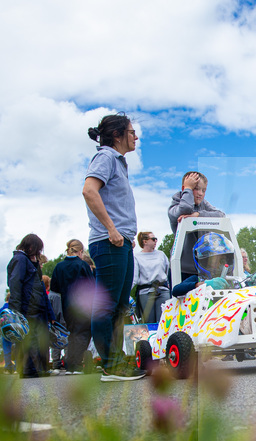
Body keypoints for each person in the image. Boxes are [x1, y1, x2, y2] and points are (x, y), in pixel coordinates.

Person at [82, 113, 146, 381]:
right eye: (132, 132)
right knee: (106, 306)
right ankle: (110, 364)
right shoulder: (106, 157)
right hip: (108, 242)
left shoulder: (119, 163)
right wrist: (111, 228)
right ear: (118, 135)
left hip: (121, 243)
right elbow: (89, 191)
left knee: (120, 306)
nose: (136, 137)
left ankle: (117, 361)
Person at [7, 233, 55, 378]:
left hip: (33, 305)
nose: (39, 253)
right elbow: (15, 284)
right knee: (30, 338)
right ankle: (29, 369)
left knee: (34, 338)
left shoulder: (25, 260)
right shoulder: (20, 259)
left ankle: (35, 368)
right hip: (28, 306)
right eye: (38, 249)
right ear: (31, 247)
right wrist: (15, 310)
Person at [51, 239, 95, 375]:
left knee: (72, 333)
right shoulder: (82, 265)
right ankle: (77, 364)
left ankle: (69, 364)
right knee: (84, 332)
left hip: (67, 304)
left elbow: (54, 288)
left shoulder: (59, 267)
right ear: (80, 251)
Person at [167, 171, 225, 235]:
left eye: (203, 190)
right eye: (196, 189)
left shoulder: (203, 204)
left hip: (204, 244)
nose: (200, 193)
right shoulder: (174, 208)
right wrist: (188, 188)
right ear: (184, 189)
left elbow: (221, 215)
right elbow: (185, 209)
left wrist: (198, 215)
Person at [133, 231, 171, 323]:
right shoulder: (136, 257)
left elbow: (168, 270)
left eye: (156, 239)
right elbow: (134, 277)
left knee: (164, 321)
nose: (156, 241)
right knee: (148, 322)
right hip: (145, 292)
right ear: (144, 241)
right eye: (153, 239)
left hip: (162, 290)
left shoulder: (161, 254)